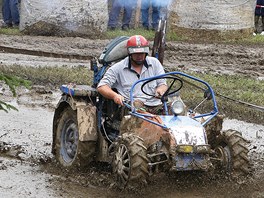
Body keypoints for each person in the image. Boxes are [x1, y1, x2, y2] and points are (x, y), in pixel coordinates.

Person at [97, 35, 168, 114]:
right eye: (136, 53)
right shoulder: (118, 68)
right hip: (133, 107)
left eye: (142, 53)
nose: (139, 56)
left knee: (177, 107)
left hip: (155, 105)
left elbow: (163, 84)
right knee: (138, 108)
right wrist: (115, 96)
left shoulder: (155, 63)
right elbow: (102, 87)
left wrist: (160, 90)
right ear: (129, 53)